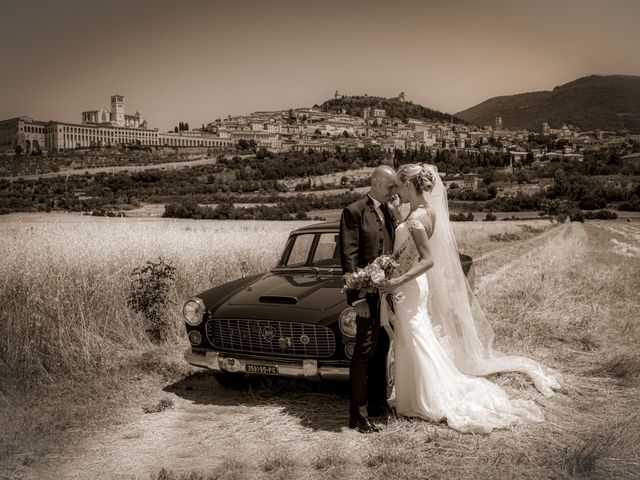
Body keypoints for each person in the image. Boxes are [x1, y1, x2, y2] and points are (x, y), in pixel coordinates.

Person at [379, 163, 561, 434]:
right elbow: (411, 248)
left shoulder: (415, 218)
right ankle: (414, 396)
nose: (396, 192)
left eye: (398, 186)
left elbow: (426, 259)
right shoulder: (426, 212)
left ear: (408, 185)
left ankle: (424, 399)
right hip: (416, 285)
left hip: (409, 284)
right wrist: (397, 214)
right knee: (416, 337)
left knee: (415, 339)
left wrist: (396, 280)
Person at [339, 164, 397, 433]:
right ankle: (358, 416)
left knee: (382, 347)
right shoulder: (353, 211)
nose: (393, 191)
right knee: (363, 352)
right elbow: (348, 258)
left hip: (386, 294)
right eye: (389, 186)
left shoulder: (388, 211)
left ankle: (378, 404)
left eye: (395, 186)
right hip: (365, 294)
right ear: (374, 182)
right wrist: (356, 298)